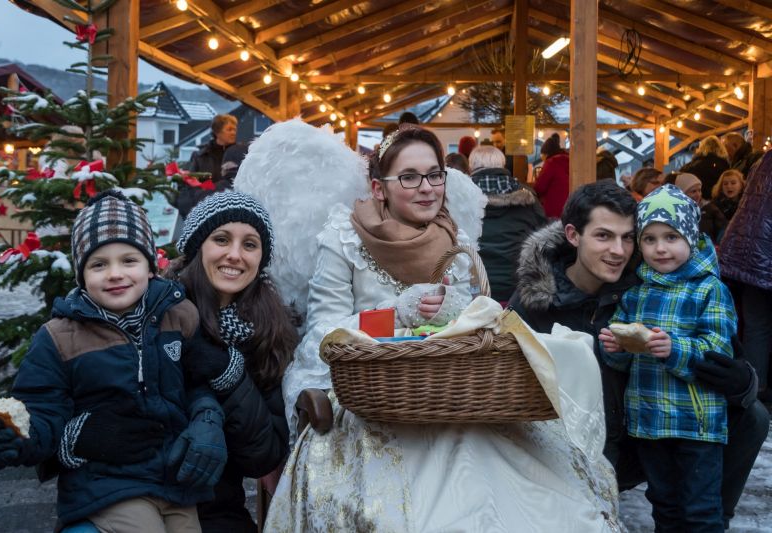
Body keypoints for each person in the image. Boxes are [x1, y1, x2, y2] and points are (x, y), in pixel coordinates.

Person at [264, 125, 621, 532]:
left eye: (435, 174)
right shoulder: (343, 237)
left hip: (451, 394)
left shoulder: (456, 239)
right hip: (374, 400)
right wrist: (395, 313)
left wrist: (463, 314)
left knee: (547, 499)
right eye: (410, 177)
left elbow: (471, 322)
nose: (427, 188)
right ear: (379, 188)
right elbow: (323, 335)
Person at [509, 180, 769, 529]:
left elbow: (727, 354)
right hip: (572, 446)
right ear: (573, 235)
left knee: (753, 418)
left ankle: (710, 518)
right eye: (604, 236)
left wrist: (742, 382)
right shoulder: (535, 304)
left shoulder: (649, 285)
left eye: (628, 237)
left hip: (644, 435)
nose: (619, 250)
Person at [0, 190, 227, 531]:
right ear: (81, 275)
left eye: (129, 260)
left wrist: (206, 417)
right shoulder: (60, 336)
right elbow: (42, 405)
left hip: (176, 479)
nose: (115, 274)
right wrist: (19, 436)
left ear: (151, 267)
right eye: (99, 264)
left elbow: (197, 381)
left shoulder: (178, 316)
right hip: (107, 482)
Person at [598, 184, 736, 531]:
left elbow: (719, 350)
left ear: (690, 236)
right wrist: (614, 348)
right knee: (664, 508)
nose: (660, 248)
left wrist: (675, 349)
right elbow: (623, 362)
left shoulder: (710, 289)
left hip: (697, 425)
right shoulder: (636, 293)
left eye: (671, 237)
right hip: (650, 423)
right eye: (650, 239)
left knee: (700, 511)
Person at [167, 191, 296, 532]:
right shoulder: (162, 311)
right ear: (197, 247)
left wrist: (230, 374)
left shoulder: (266, 329)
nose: (235, 255)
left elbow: (263, 454)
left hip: (216, 506)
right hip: (143, 492)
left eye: (250, 244)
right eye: (221, 239)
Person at [719, 151, 772, 406]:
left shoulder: (763, 161)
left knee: (757, 326)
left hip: (751, 255)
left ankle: (753, 390)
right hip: (763, 252)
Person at [468, 145, 546, 303]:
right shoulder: (527, 197)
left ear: (471, 167)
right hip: (516, 289)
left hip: (471, 289)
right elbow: (544, 237)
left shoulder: (458, 197)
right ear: (502, 165)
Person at [177, 114, 238, 218]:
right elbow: (189, 186)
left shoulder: (240, 155)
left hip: (233, 213)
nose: (233, 132)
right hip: (205, 213)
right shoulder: (200, 157)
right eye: (229, 129)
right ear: (217, 132)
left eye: (235, 129)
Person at [674, 172, 728, 244]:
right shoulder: (675, 212)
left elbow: (723, 229)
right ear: (683, 194)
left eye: (699, 190)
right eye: (693, 191)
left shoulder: (709, 209)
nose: (698, 194)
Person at [680, 135, 730, 200]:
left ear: (702, 147)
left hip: (693, 199)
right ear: (721, 147)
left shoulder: (692, 164)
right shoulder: (724, 164)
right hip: (715, 200)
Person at [533, 132, 569, 218]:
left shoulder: (551, 163)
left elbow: (539, 187)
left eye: (543, 156)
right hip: (569, 208)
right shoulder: (569, 160)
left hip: (554, 209)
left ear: (546, 154)